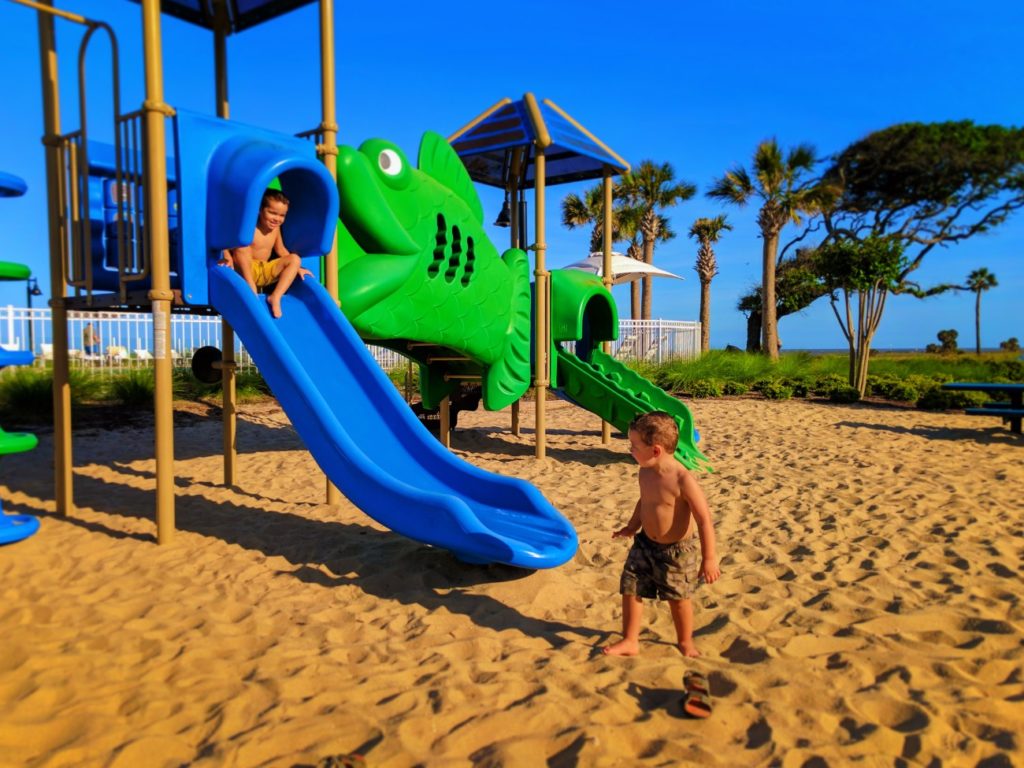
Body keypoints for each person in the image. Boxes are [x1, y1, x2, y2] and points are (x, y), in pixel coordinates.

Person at [603, 411, 720, 658]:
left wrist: (709, 558)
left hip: (676, 551)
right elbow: (644, 502)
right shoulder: (645, 472)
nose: (630, 450)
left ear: (655, 450)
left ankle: (686, 641)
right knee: (630, 589)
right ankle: (630, 640)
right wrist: (632, 526)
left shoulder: (682, 479)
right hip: (644, 543)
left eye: (634, 446)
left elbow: (704, 519)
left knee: (678, 598)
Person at [218, 189, 311, 318]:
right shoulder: (249, 227)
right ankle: (251, 288)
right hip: (246, 270)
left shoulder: (276, 229)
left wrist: (297, 267)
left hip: (264, 270)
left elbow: (280, 250)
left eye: (282, 215)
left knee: (294, 258)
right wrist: (227, 258)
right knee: (242, 246)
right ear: (260, 210)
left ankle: (275, 297)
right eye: (272, 213)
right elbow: (227, 244)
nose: (277, 219)